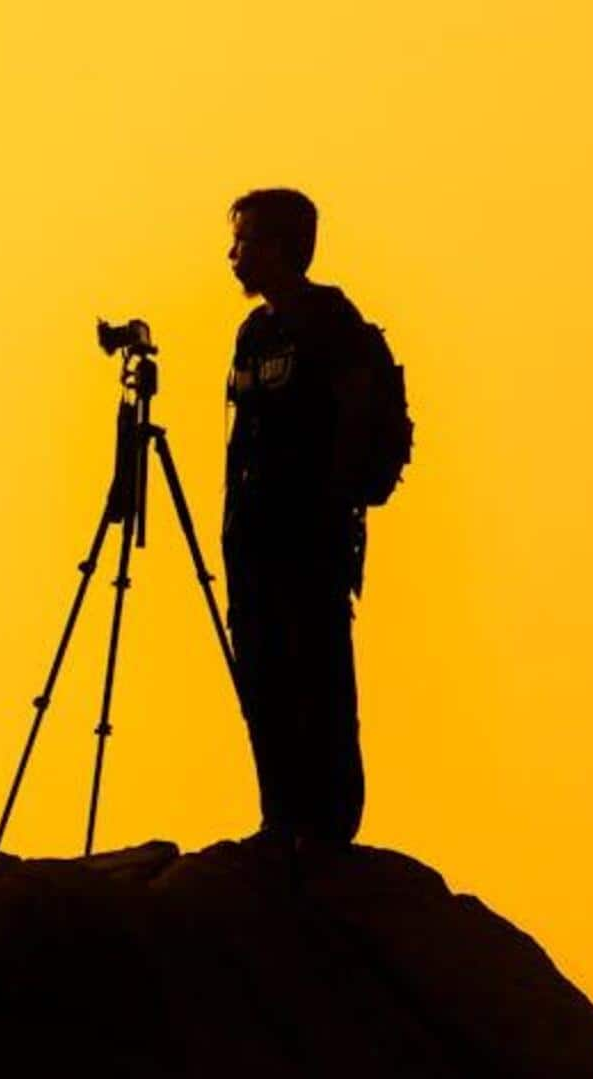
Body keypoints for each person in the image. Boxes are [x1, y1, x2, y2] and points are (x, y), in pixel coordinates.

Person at [221, 187, 373, 847]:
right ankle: (281, 815)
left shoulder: (330, 321)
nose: (234, 255)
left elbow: (366, 419)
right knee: (262, 672)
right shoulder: (253, 334)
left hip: (311, 537)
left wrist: (335, 502)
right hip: (253, 539)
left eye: (246, 240)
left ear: (281, 248)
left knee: (318, 674)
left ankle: (329, 824)